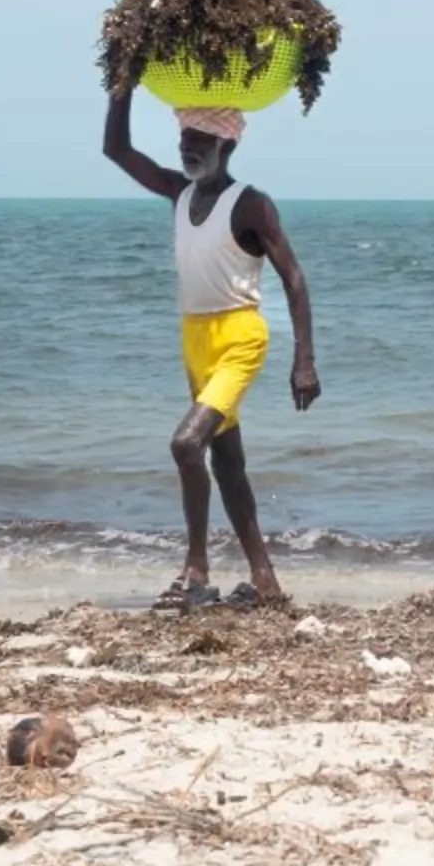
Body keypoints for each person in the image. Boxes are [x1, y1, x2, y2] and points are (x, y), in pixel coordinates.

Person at [103, 91, 320, 610]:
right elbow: (116, 148)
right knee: (227, 462)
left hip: (240, 338)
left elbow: (293, 277)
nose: (188, 148)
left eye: (199, 139)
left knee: (185, 445)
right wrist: (123, 87)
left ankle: (195, 572)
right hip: (194, 339)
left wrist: (304, 359)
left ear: (226, 143)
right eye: (183, 138)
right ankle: (265, 580)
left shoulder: (250, 203)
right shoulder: (179, 192)